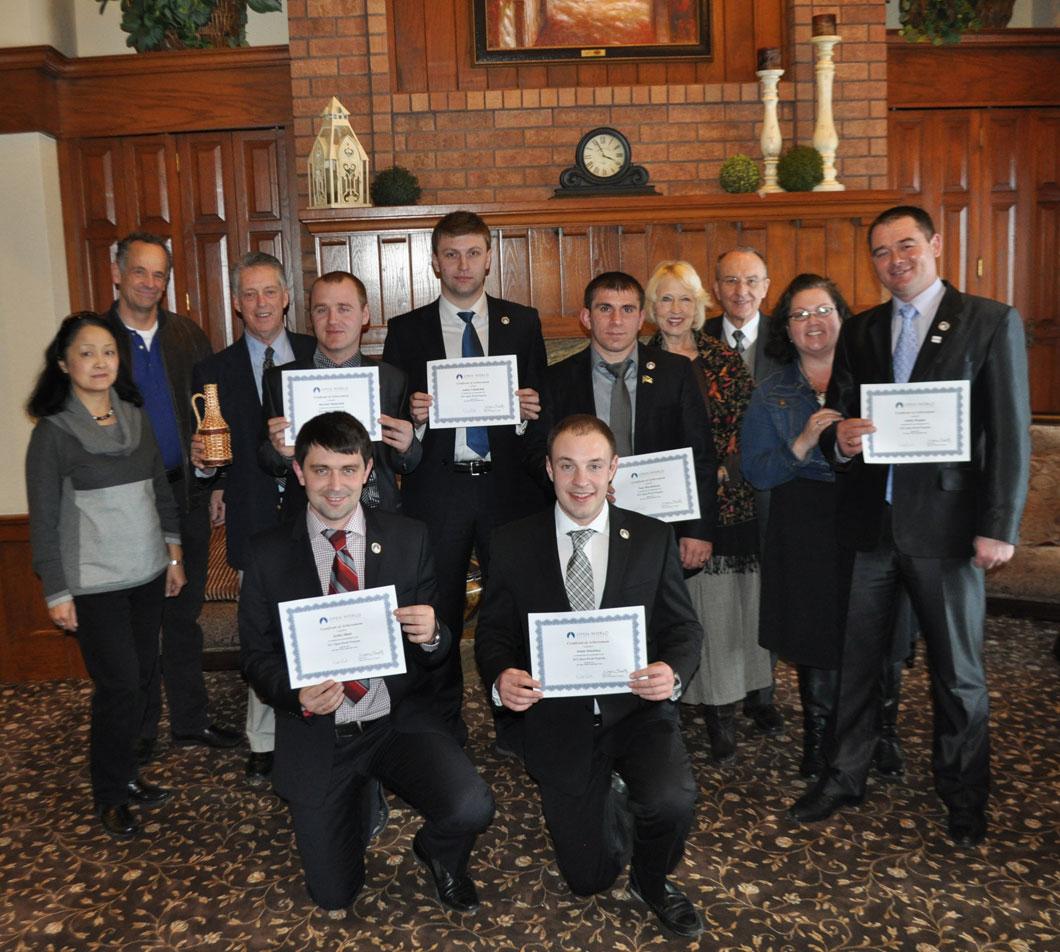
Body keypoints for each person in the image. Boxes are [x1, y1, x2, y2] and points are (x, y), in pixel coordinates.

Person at [790, 206, 1032, 849]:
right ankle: (845, 777)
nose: (895, 260)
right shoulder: (862, 329)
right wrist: (839, 441)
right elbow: (839, 417)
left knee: (959, 673)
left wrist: (998, 525)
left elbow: (1009, 433)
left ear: (934, 245)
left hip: (951, 531)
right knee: (858, 665)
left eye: (906, 246)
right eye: (881, 251)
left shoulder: (989, 321)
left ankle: (963, 794)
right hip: (872, 527)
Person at [239, 411, 494, 914]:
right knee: (334, 895)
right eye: (320, 470)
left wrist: (435, 633)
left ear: (368, 470)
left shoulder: (408, 537)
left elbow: (438, 650)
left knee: (472, 806)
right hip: (320, 729)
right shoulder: (268, 554)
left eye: (348, 470)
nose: (335, 486)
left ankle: (437, 854)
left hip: (393, 718)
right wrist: (295, 693)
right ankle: (358, 796)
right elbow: (256, 656)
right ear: (299, 472)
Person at [475, 415, 705, 938]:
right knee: (588, 879)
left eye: (594, 466)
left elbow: (683, 628)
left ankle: (652, 881)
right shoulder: (512, 542)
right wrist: (501, 676)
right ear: (550, 470)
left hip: (637, 711)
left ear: (613, 469)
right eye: (568, 466)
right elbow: (493, 633)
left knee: (672, 800)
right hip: (558, 720)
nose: (582, 481)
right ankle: (613, 797)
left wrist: (671, 672)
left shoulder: (651, 537)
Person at [381, 210, 550, 737]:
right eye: (451, 254)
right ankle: (443, 727)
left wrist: (527, 416)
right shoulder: (406, 331)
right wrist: (417, 418)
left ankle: (517, 723)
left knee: (514, 604)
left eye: (473, 252)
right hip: (439, 489)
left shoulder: (522, 322)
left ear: (489, 258)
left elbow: (542, 418)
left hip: (508, 490)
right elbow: (392, 425)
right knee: (439, 610)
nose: (462, 264)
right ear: (434, 262)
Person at [741, 273, 910, 781]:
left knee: (881, 627)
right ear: (786, 329)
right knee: (814, 633)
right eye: (799, 315)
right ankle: (818, 737)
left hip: (870, 514)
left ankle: (883, 733)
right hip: (803, 523)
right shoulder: (771, 391)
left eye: (823, 311)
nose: (812, 323)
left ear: (842, 317)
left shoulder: (879, 378)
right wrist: (802, 443)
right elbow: (756, 471)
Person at [26, 313, 186, 838]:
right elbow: (44, 518)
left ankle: (128, 773)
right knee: (118, 686)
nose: (100, 362)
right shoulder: (52, 434)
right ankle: (110, 792)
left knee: (142, 678)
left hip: (145, 572)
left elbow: (160, 493)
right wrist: (56, 590)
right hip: (93, 583)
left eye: (109, 352)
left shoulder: (135, 418)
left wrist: (174, 555)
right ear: (64, 363)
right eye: (87, 353)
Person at [102, 233, 238, 763]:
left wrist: (219, 480)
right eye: (140, 272)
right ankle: (138, 733)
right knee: (137, 623)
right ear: (117, 273)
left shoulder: (186, 335)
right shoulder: (95, 337)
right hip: (124, 505)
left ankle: (190, 721)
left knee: (184, 615)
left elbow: (212, 413)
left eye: (159, 274)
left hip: (187, 494)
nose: (149, 283)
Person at [190, 250, 317, 783]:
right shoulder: (212, 371)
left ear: (287, 298)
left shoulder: (319, 356)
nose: (261, 303)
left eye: (270, 292)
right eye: (250, 294)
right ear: (237, 305)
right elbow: (209, 450)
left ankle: (321, 722)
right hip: (253, 516)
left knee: (316, 624)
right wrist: (207, 475)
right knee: (261, 631)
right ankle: (263, 739)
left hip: (318, 513)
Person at [644, 260, 772, 763]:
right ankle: (669, 705)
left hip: (726, 505)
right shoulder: (641, 359)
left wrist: (720, 469)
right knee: (672, 612)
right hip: (659, 510)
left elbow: (749, 426)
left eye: (684, 300)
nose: (675, 310)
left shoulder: (723, 359)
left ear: (700, 307)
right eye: (665, 300)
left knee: (724, 616)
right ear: (652, 309)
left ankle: (723, 714)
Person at [546, 271, 717, 573]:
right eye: (604, 308)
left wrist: (698, 530)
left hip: (662, 526)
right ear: (586, 317)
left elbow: (700, 454)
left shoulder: (675, 372)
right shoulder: (557, 379)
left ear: (641, 319)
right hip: (582, 523)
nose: (616, 321)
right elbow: (541, 454)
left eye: (627, 310)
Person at [261, 270, 420, 519]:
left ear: (364, 315)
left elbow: (403, 463)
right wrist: (279, 451)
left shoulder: (391, 378)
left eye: (344, 308)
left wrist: (408, 446)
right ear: (311, 318)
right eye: (321, 310)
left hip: (379, 516)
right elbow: (268, 461)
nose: (332, 320)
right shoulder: (280, 381)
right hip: (307, 517)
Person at [706, 247, 785, 737]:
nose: (741, 291)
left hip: (777, 490)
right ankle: (723, 695)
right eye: (731, 281)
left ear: (767, 285)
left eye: (752, 281)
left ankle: (764, 693)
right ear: (715, 289)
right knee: (722, 596)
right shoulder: (693, 339)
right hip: (716, 493)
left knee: (769, 592)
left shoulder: (789, 336)